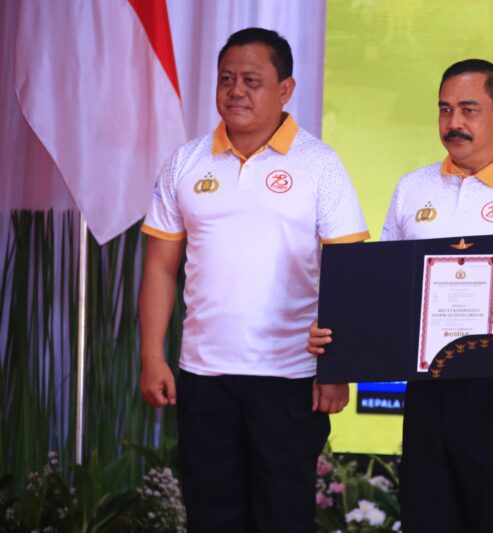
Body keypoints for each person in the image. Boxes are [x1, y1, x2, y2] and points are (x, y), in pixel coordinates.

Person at [309, 59, 493, 532]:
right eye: (445, 109)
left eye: (469, 109)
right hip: (427, 385)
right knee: (427, 515)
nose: (453, 123)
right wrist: (338, 340)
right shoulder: (412, 188)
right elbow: (380, 287)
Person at [138, 27, 368, 532]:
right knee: (211, 516)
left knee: (281, 518)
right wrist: (153, 356)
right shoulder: (186, 161)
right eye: (226, 80)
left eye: (251, 80)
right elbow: (159, 266)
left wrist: (337, 366)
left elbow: (347, 269)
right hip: (203, 378)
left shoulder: (319, 164)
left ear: (285, 89)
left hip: (290, 379)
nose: (236, 91)